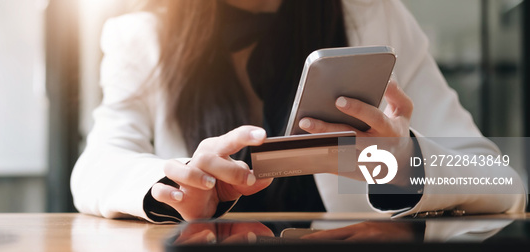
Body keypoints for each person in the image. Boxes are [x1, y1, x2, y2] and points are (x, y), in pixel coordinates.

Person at [70, 0, 527, 223]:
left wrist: (402, 163)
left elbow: (503, 182)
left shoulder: (375, 16)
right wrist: (172, 186)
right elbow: (95, 168)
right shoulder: (140, 37)